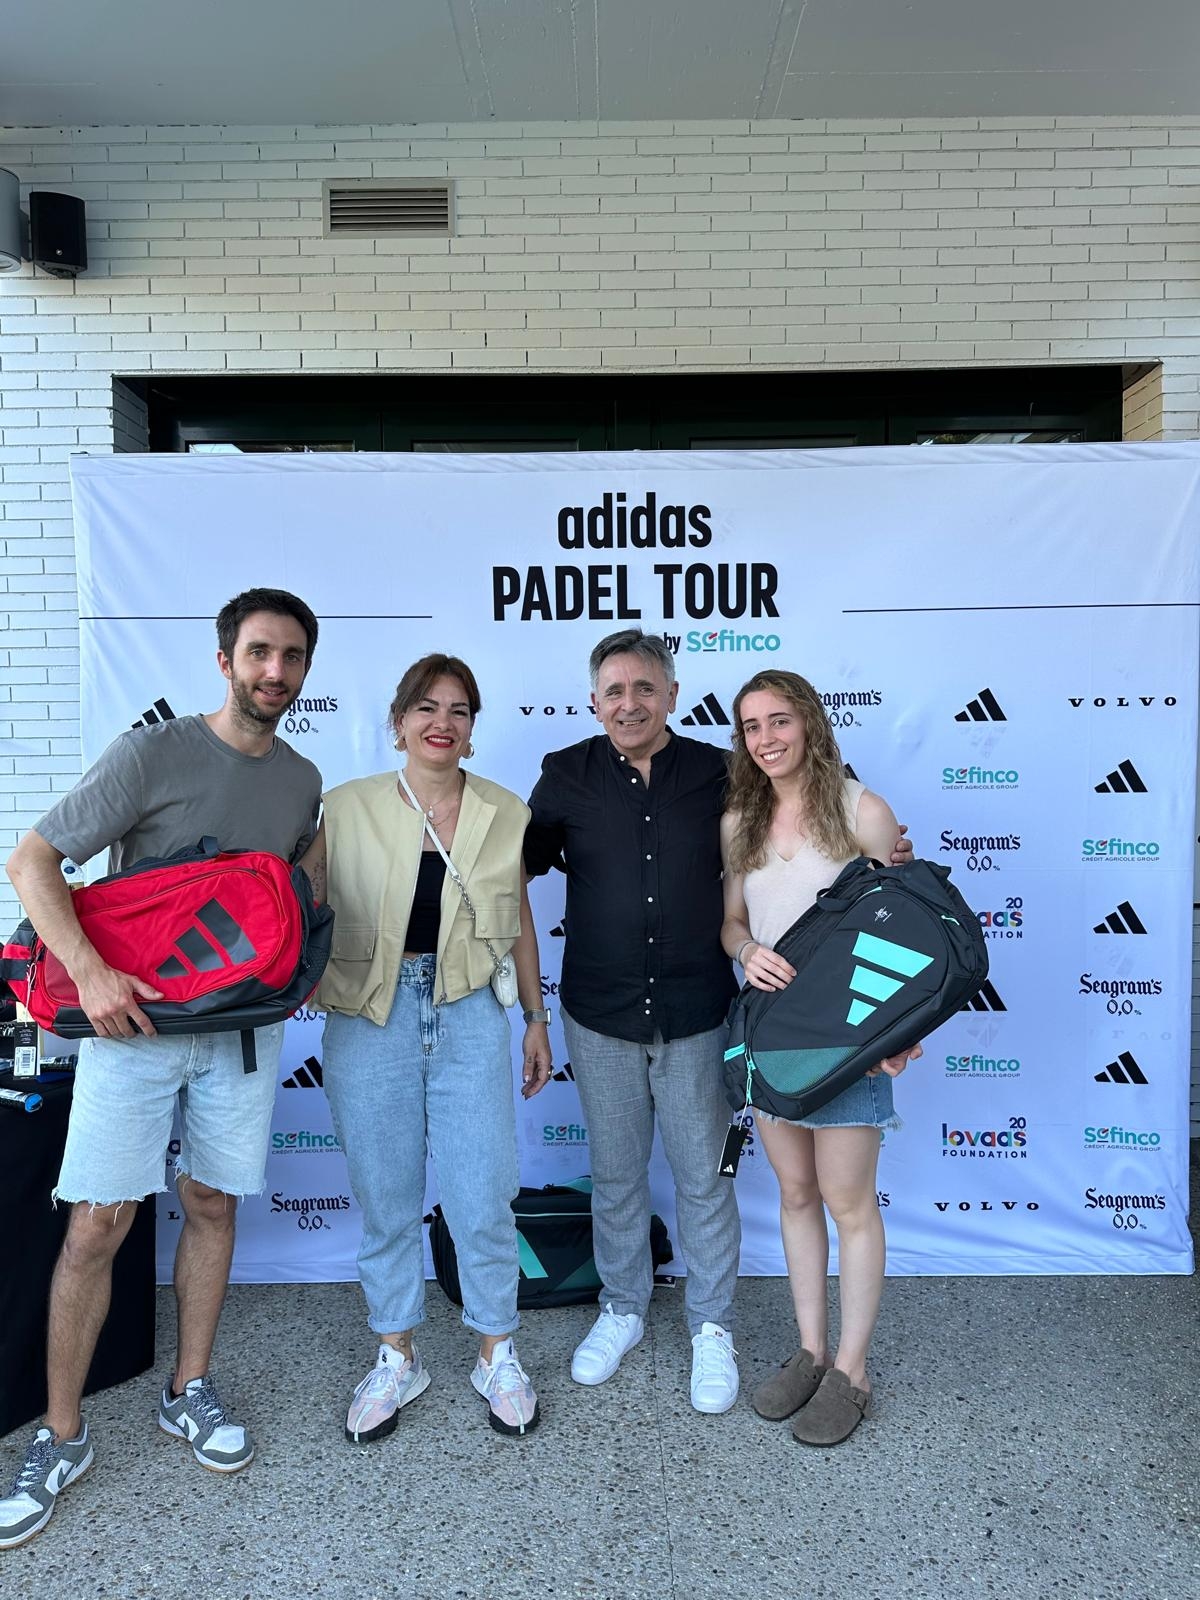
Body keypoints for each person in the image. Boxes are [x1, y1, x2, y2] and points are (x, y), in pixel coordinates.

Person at [0, 588, 323, 1549]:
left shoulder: (303, 780)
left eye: (291, 656)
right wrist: (92, 974)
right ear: (225, 660)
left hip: (239, 1036)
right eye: (259, 652)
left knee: (213, 1203)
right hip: (130, 1026)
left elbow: (287, 902)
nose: (275, 671)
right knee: (97, 1225)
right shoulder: (153, 753)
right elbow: (34, 860)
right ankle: (62, 1435)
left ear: (306, 670)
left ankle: (189, 1389)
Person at [525, 629, 914, 1416]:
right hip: (599, 1015)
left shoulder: (720, 775)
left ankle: (711, 1325)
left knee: (707, 1177)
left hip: (700, 1013)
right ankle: (623, 1308)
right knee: (616, 1174)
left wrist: (888, 852)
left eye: (645, 688)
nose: (629, 703)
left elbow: (822, 809)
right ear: (593, 702)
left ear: (672, 695)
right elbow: (507, 872)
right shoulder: (564, 775)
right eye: (613, 691)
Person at [300, 653, 552, 1442]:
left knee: (483, 1192)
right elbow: (300, 899)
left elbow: (518, 918)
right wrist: (290, 974)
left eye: (459, 711)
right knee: (387, 1197)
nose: (442, 723)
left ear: (472, 730)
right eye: (427, 708)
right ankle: (397, 1354)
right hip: (369, 1014)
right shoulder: (346, 807)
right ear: (399, 721)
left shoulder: (504, 811)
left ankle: (496, 1352)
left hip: (469, 1009)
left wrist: (536, 1017)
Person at [720, 669, 922, 1446]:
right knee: (797, 1195)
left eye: (779, 720)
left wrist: (900, 1033)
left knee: (849, 1204)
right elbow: (732, 921)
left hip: (849, 1047)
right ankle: (809, 1352)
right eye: (751, 726)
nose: (766, 738)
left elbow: (906, 936)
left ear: (808, 721)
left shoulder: (863, 811)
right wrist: (746, 952)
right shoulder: (740, 820)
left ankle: (852, 1371)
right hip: (773, 1042)